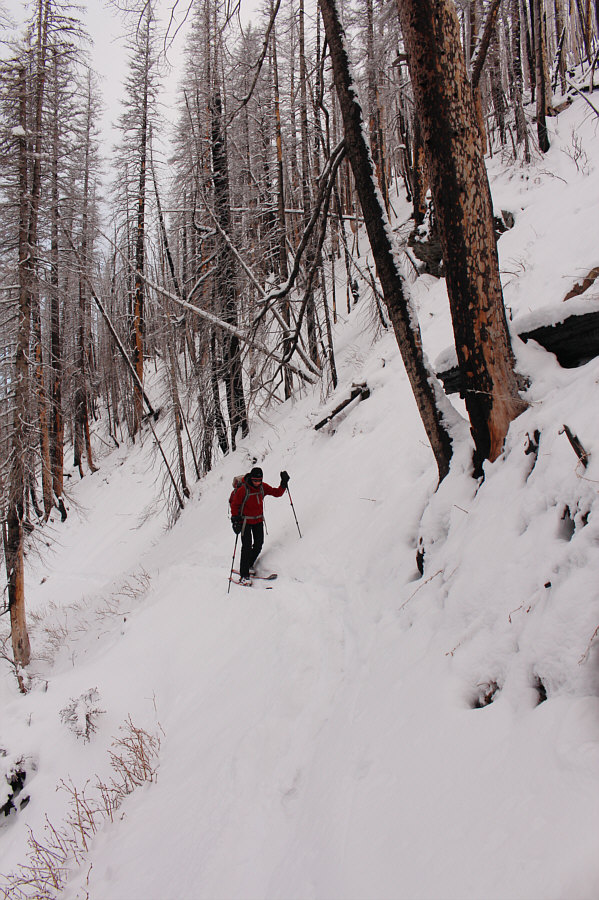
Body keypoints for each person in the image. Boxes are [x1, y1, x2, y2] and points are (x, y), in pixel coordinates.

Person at [230, 467, 290, 585]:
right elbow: (235, 505)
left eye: (259, 480)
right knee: (246, 547)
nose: (257, 483)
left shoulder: (263, 487)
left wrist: (283, 483)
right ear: (251, 479)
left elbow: (276, 493)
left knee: (258, 544)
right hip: (245, 522)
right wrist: (235, 520)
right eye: (255, 480)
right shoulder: (243, 490)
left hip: (257, 521)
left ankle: (249, 564)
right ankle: (244, 575)